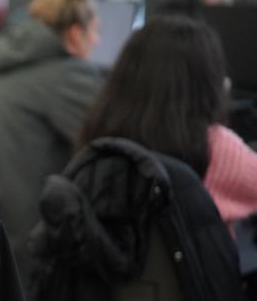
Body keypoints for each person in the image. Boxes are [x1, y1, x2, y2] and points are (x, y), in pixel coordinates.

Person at [0, 0, 102, 284]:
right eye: (95, 32)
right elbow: (112, 143)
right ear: (76, 34)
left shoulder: (0, 60)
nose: (99, 42)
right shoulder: (70, 75)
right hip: (35, 238)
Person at [77, 14, 257, 225]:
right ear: (207, 80)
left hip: (113, 255)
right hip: (193, 257)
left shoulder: (101, 128)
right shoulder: (216, 145)